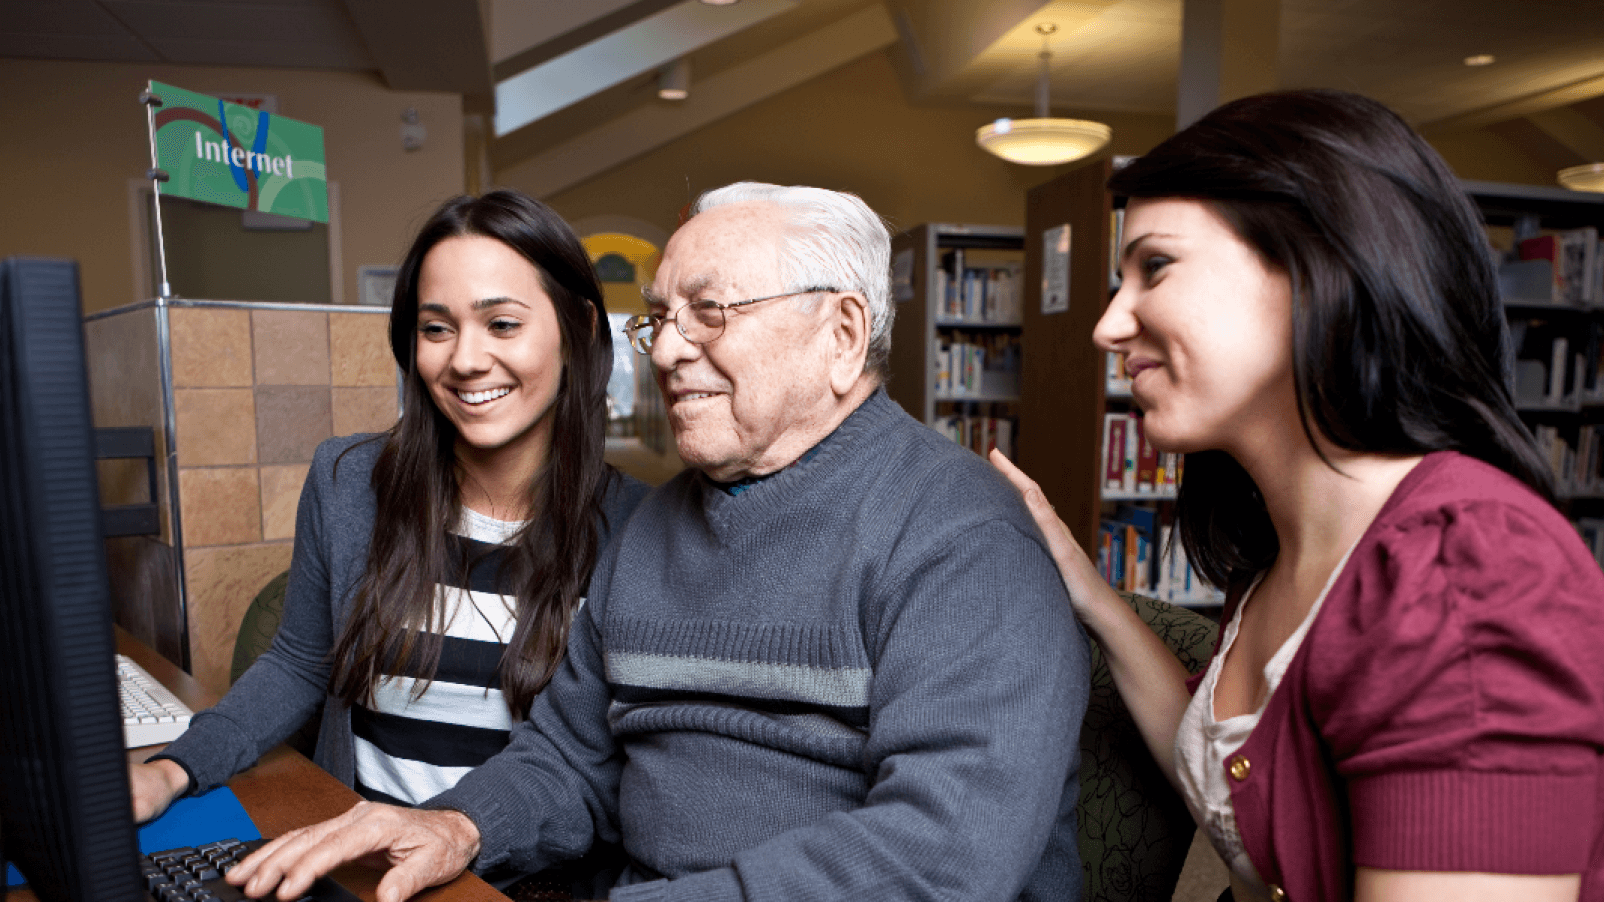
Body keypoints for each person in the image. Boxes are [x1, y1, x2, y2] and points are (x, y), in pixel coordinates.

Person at [223, 182, 1091, 902]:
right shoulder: (661, 526)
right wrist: (459, 825)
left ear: (844, 334)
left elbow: (941, 858)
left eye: (708, 312)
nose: (669, 350)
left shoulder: (961, 539)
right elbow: (569, 754)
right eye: (661, 318)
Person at [991, 89, 1604, 902]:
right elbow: (1242, 785)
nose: (1108, 325)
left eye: (1156, 267)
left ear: (1316, 269)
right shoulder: (1281, 549)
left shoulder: (1465, 572)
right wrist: (1083, 583)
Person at [129, 191, 649, 870]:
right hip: (358, 865)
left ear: (578, 329)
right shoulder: (347, 482)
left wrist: (456, 836)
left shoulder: (639, 529)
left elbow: (604, 769)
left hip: (515, 881)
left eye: (501, 324)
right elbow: (296, 664)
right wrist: (174, 770)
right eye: (437, 328)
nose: (465, 359)